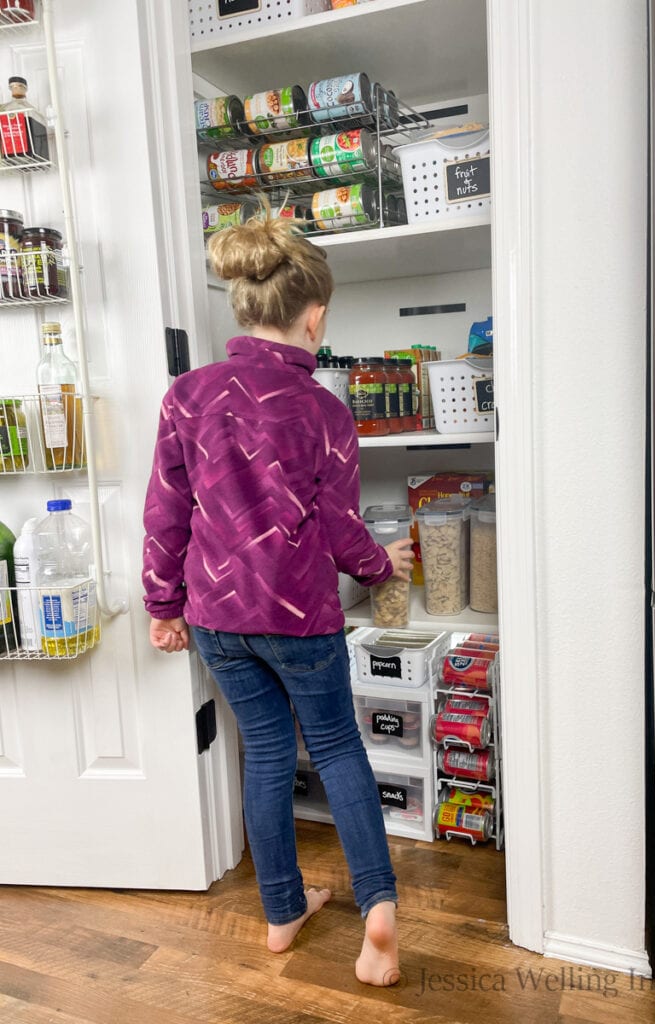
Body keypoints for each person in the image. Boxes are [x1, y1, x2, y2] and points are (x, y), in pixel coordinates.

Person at [141, 208, 413, 987]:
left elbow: (166, 510)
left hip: (216, 618)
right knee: (335, 748)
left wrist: (163, 605)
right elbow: (339, 526)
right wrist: (380, 566)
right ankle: (379, 914)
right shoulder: (324, 410)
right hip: (298, 617)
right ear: (315, 314)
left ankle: (282, 911)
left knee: (263, 751)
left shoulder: (186, 396)